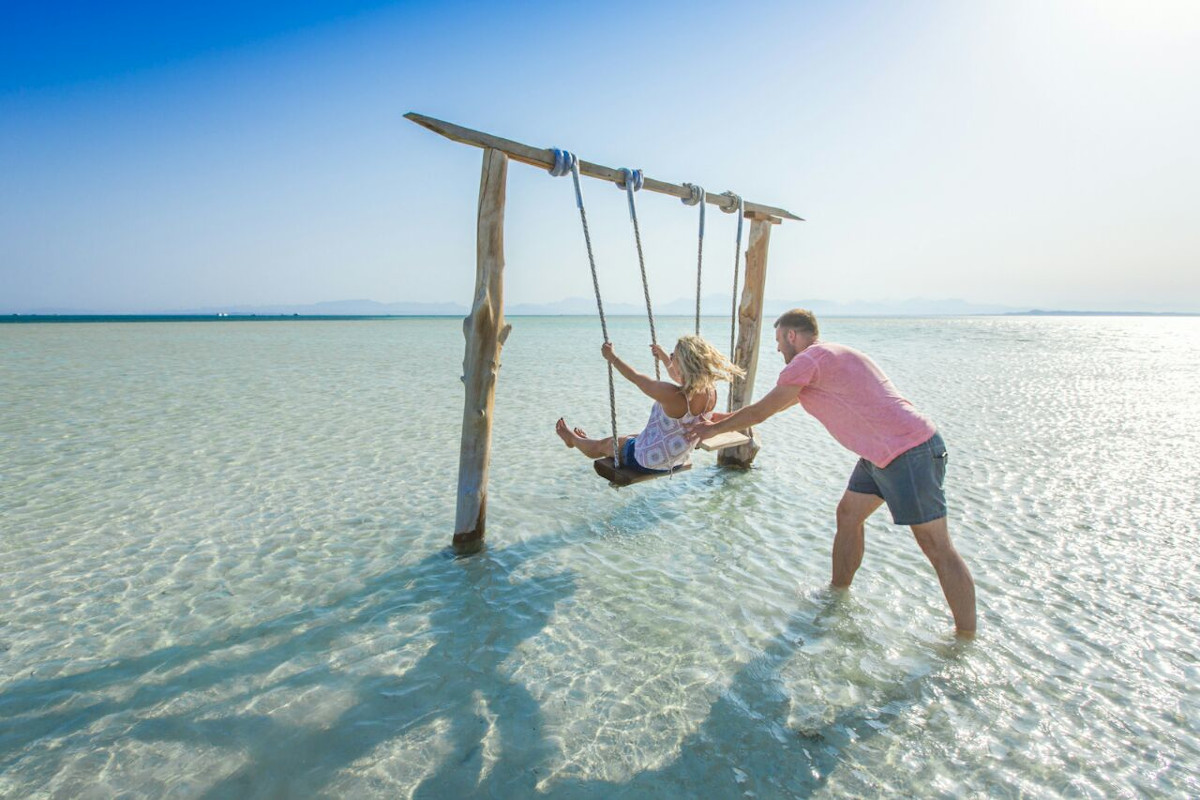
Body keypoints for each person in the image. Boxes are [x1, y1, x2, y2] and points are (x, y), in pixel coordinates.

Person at [684, 309, 977, 635]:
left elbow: (763, 411)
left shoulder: (809, 361)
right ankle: (838, 593)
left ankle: (965, 638)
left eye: (779, 340)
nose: (778, 348)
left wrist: (712, 431)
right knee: (849, 515)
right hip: (879, 455)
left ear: (791, 336)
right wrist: (720, 419)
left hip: (909, 452)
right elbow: (778, 405)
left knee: (937, 547)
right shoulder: (829, 358)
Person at [556, 335, 744, 475]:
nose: (671, 358)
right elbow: (679, 376)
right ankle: (586, 442)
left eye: (674, 356)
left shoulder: (671, 395)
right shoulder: (710, 392)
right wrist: (663, 356)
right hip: (676, 460)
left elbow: (635, 377)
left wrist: (611, 357)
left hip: (646, 461)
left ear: (685, 364)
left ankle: (573, 440)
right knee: (630, 437)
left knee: (604, 445)